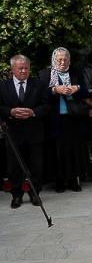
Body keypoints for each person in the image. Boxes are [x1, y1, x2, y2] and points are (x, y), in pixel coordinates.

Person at [39, 47, 90, 192]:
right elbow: (41, 93)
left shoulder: (75, 72)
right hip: (54, 118)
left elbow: (86, 90)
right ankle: (59, 181)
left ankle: (74, 180)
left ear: (69, 60)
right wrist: (55, 90)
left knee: (74, 149)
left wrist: (76, 88)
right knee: (57, 150)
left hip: (73, 117)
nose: (62, 62)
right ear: (54, 60)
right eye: (59, 59)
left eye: (65, 59)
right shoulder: (45, 74)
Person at [0, 55, 48, 208]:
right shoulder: (3, 86)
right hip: (13, 132)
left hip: (34, 131)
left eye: (26, 68)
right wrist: (11, 112)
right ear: (12, 69)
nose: (23, 71)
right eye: (20, 68)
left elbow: (46, 106)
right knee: (14, 165)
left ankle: (35, 193)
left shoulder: (38, 85)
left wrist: (33, 112)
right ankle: (16, 195)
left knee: (36, 164)